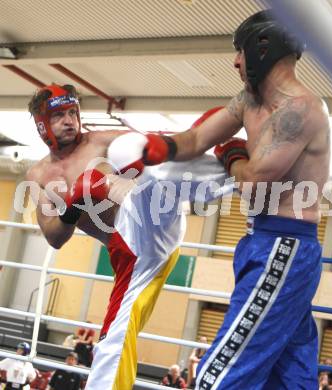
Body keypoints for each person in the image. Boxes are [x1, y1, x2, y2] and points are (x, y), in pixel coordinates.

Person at [121, 9, 331, 389]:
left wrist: (233, 155)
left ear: (262, 47)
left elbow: (252, 184)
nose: (235, 61)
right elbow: (197, 139)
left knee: (218, 374)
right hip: (263, 242)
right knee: (289, 374)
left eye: (240, 51)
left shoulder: (300, 111)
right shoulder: (248, 100)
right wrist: (159, 146)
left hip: (284, 248)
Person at [26, 84, 231, 389]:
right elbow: (55, 236)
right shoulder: (38, 176)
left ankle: (229, 159)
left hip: (148, 219)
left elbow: (151, 152)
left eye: (73, 112)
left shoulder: (101, 142)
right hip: (130, 250)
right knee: (115, 336)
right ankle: (230, 165)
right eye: (59, 116)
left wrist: (114, 180)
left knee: (140, 153)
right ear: (42, 125)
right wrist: (73, 205)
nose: (70, 121)